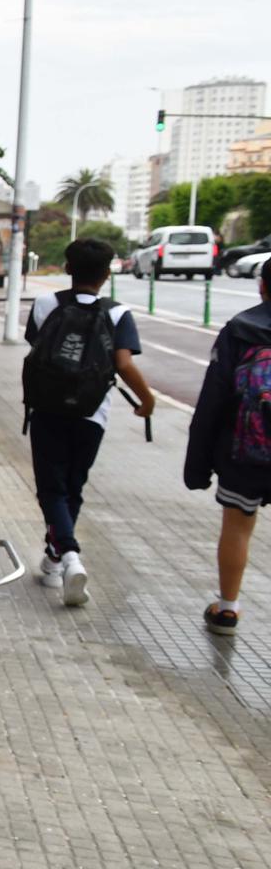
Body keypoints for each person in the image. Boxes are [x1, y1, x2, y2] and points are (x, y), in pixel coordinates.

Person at [24, 238, 154, 607]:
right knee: (72, 487)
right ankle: (58, 558)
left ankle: (65, 556)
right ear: (107, 273)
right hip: (92, 414)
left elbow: (37, 347)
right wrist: (147, 401)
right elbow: (125, 364)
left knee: (51, 489)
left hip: (47, 409)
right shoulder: (118, 314)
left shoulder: (47, 304)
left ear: (67, 268)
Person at [184, 263, 271, 635]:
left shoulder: (240, 329)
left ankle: (228, 609)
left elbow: (212, 400)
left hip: (244, 452)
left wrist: (197, 465)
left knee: (237, 524)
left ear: (262, 286)